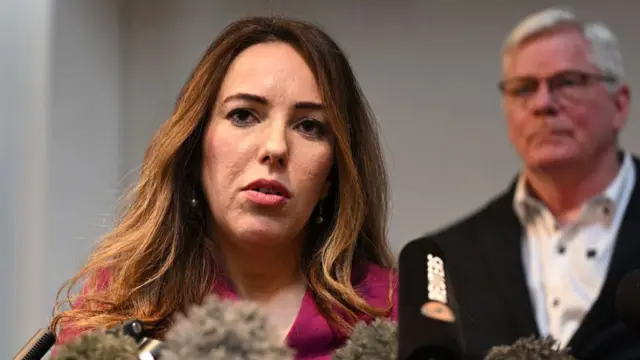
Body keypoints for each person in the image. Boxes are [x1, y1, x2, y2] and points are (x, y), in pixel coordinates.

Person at [49, 16, 397, 359]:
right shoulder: (120, 305)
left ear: (332, 174)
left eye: (308, 126)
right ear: (195, 148)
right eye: (244, 115)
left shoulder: (396, 312)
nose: (275, 147)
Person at [409, 7, 640, 360]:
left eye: (568, 81)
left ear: (620, 104)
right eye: (523, 88)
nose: (543, 103)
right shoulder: (448, 258)